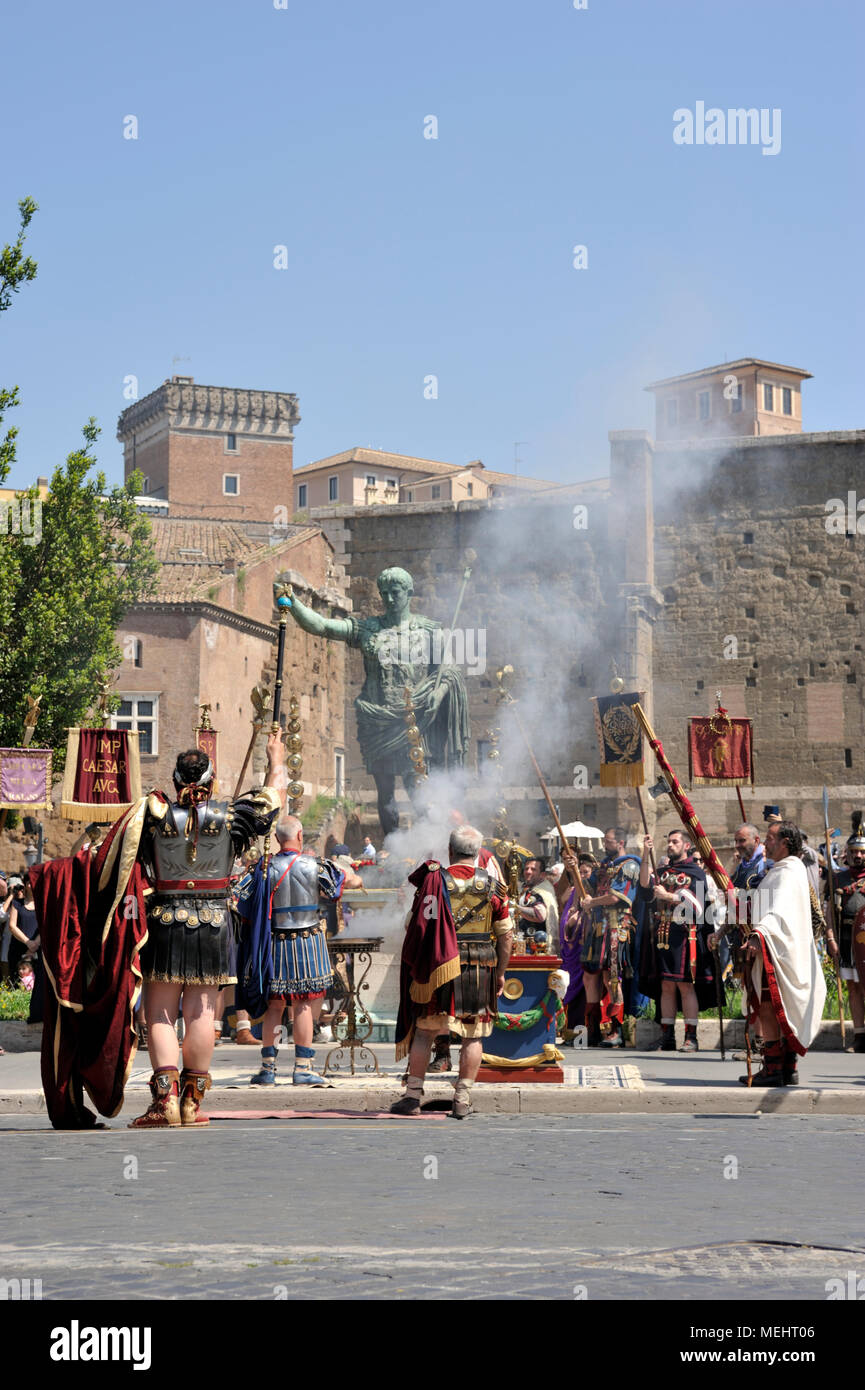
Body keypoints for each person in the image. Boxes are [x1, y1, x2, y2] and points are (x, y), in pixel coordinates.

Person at [126, 732, 284, 1127]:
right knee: (201, 1009)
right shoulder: (233, 817)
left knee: (161, 1011)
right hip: (215, 921)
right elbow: (274, 798)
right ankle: (192, 1104)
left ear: (177, 781)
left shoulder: (152, 815)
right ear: (210, 782)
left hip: (164, 918)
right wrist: (274, 758)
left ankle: (165, 1104)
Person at [280, 566, 470, 836]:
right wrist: (293, 602)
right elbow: (321, 626)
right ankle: (393, 846)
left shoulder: (429, 631)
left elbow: (448, 671)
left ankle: (431, 842)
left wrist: (438, 695)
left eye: (395, 593)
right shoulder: (367, 629)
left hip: (413, 718)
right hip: (377, 720)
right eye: (385, 594)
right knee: (385, 791)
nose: (390, 599)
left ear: (409, 593)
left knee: (418, 789)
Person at [392, 824, 514, 1118]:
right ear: (479, 853)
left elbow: (413, 925)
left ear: (450, 850)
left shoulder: (434, 883)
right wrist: (501, 972)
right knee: (473, 1035)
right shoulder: (493, 887)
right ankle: (462, 1098)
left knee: (425, 1032)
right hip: (479, 965)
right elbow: (507, 934)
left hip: (437, 966)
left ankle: (412, 1098)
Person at [236, 816, 362, 1087]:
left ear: (279, 839)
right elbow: (341, 886)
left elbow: (240, 898)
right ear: (300, 835)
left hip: (273, 941)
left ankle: (268, 1068)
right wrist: (355, 877)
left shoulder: (262, 867)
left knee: (275, 1005)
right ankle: (302, 1068)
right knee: (304, 1003)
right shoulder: (316, 865)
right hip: (308, 940)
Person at [711, 820, 826, 1085]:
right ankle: (787, 1068)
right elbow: (762, 904)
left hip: (776, 950)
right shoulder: (782, 870)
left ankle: (774, 1070)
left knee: (768, 1008)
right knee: (776, 1008)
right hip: (774, 948)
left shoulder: (788, 872)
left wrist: (758, 934)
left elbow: (779, 911)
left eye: (770, 838)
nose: (765, 843)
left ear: (785, 843)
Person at [638, 829, 717, 1052]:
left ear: (686, 846)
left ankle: (691, 1037)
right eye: (668, 841)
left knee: (685, 985)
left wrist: (670, 897)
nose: (670, 845)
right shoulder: (662, 870)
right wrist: (645, 853)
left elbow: (699, 907)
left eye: (675, 842)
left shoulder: (696, 873)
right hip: (662, 934)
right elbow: (645, 884)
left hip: (684, 936)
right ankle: (667, 1036)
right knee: (666, 986)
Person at [579, 828, 641, 1048]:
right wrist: (572, 869)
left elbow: (617, 897)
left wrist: (591, 903)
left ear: (621, 842)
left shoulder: (630, 865)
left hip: (616, 926)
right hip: (598, 926)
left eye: (608, 841)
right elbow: (587, 886)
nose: (605, 844)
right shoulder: (604, 865)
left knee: (611, 977)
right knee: (589, 977)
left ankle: (615, 1030)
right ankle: (593, 1029)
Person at [823, 814, 865, 1053]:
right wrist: (831, 937)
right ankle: (859, 1036)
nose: (857, 856)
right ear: (847, 853)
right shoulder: (837, 878)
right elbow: (829, 910)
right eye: (854, 852)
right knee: (853, 987)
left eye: (861, 852)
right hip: (847, 937)